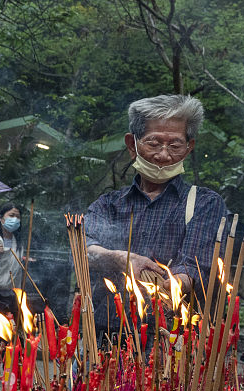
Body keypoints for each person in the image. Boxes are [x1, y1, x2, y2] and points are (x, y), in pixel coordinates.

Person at [85, 94, 226, 335]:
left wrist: (169, 287)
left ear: (189, 147)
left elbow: (196, 267)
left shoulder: (204, 203)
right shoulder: (109, 204)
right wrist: (122, 259)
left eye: (175, 145)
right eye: (153, 143)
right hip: (105, 336)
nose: (163, 155)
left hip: (169, 339)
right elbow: (83, 248)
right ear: (132, 145)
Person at [0, 200, 29, 323]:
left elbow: (18, 270)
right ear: (1, 218)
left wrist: (19, 292)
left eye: (18, 217)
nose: (15, 219)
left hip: (9, 295)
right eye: (11, 215)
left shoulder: (18, 241)